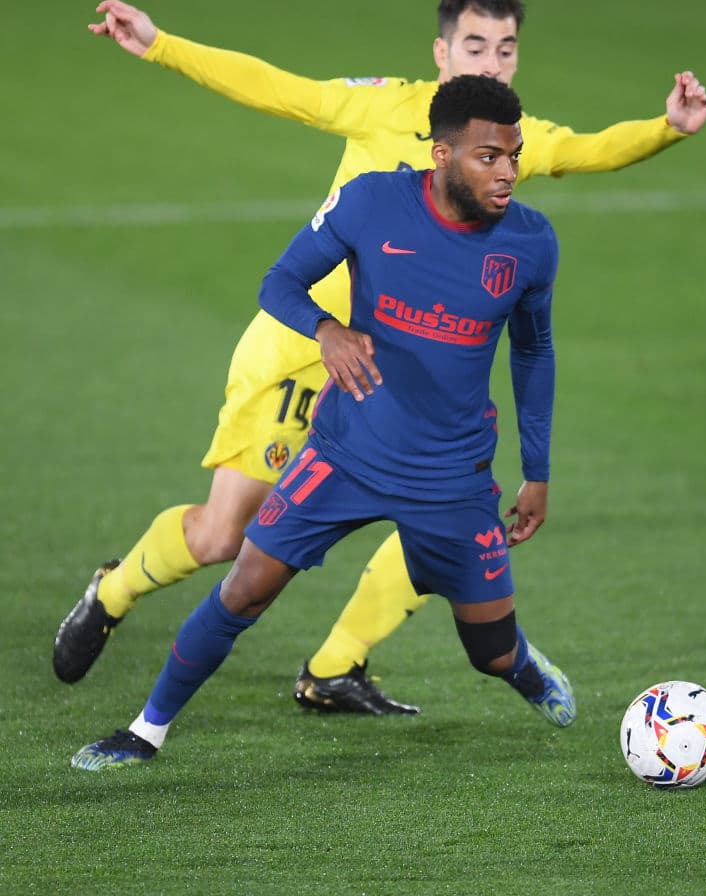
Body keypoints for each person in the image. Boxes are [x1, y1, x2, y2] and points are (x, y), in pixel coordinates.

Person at [54, 0, 706, 714]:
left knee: (438, 511)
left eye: (505, 49)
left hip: (398, 374)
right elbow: (278, 88)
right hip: (304, 348)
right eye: (474, 46)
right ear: (441, 51)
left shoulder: (506, 138)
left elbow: (589, 150)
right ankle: (114, 590)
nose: (491, 62)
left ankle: (335, 664)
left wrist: (668, 127)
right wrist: (161, 46)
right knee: (221, 537)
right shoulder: (385, 106)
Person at [71, 75, 573, 770]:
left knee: (487, 652)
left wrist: (537, 472)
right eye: (489, 157)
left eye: (514, 156)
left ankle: (519, 665)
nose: (509, 173)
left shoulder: (530, 242)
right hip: (345, 454)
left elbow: (534, 352)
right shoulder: (371, 203)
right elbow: (279, 281)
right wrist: (326, 329)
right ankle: (145, 731)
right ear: (442, 155)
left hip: (451, 475)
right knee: (244, 588)